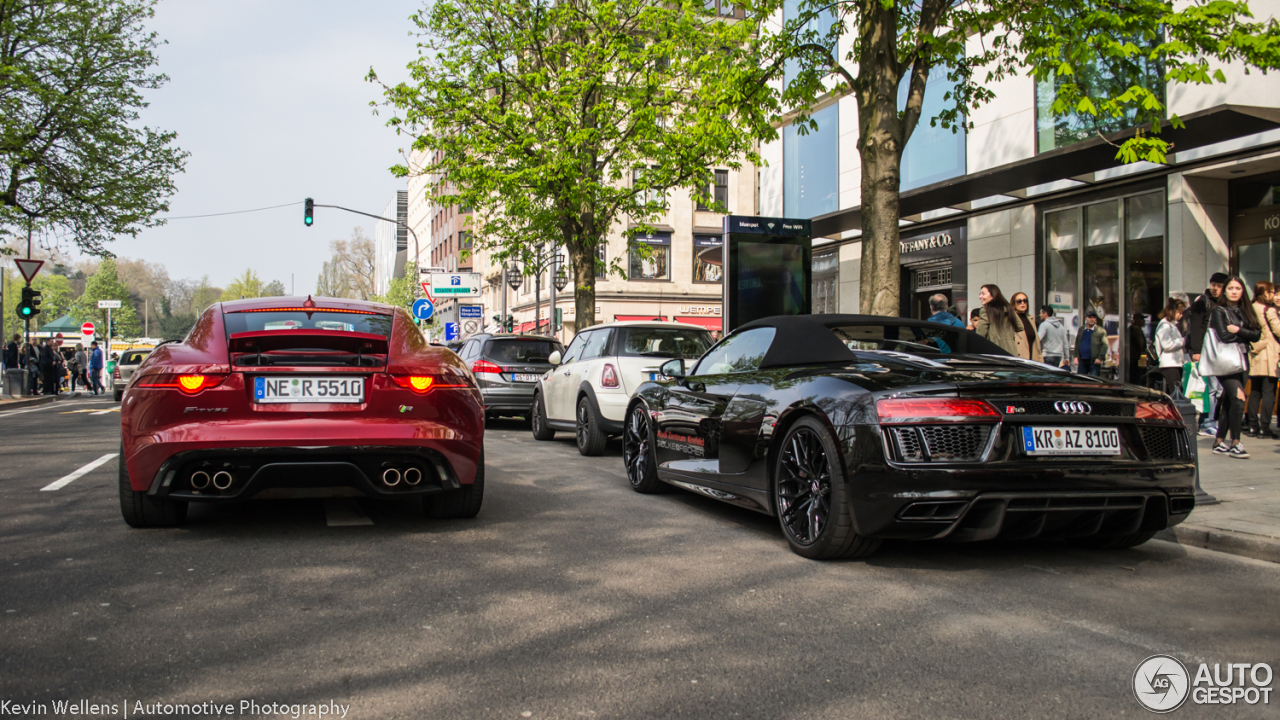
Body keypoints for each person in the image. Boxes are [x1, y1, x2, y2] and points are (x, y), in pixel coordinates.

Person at [1204, 276, 1262, 458]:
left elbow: (1257, 334)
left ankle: (1219, 441)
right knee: (1238, 398)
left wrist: (1238, 331)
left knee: (1229, 401)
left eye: (1238, 288)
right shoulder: (1219, 311)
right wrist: (1245, 335)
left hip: (1243, 359)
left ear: (1243, 291)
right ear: (1225, 291)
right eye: (1231, 288)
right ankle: (1236, 442)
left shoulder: (1246, 310)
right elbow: (1224, 336)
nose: (1234, 291)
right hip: (1226, 361)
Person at [1187, 273, 1228, 434]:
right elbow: (1195, 327)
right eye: (1213, 284)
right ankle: (1206, 422)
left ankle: (1210, 419)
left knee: (1217, 389)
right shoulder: (1202, 301)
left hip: (1220, 351)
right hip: (1206, 350)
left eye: (1219, 285)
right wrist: (1196, 351)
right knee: (1210, 389)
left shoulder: (1223, 304)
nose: (1215, 288)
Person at [1246, 281, 1280, 439]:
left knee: (1254, 391)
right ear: (1265, 293)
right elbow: (1278, 330)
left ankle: (1253, 426)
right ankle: (1264, 427)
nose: (1273, 295)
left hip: (1255, 353)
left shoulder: (1250, 307)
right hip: (1269, 353)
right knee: (1268, 391)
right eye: (1271, 292)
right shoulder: (1269, 309)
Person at [973, 284, 1039, 359]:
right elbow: (1020, 327)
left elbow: (980, 333)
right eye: (980, 294)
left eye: (983, 294)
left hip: (994, 352)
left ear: (993, 295)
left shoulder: (985, 310)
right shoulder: (1009, 309)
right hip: (1011, 351)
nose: (980, 297)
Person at [1155, 297, 1187, 396]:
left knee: (1175, 391)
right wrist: (1183, 341)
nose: (1181, 316)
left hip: (1174, 363)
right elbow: (1167, 345)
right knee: (1175, 391)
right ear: (1173, 312)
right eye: (1179, 313)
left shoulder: (1171, 325)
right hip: (1169, 364)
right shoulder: (1165, 326)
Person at [1009, 292, 1043, 362]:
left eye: (1025, 301)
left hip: (1033, 361)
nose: (1022, 303)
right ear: (1013, 303)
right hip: (1018, 360)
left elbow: (1036, 343)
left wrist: (1040, 360)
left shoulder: (1031, 319)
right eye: (1019, 301)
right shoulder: (1010, 319)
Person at [1076, 311, 1107, 376]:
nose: (1092, 319)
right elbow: (1077, 343)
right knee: (1081, 380)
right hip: (1082, 360)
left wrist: (1099, 358)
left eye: (1093, 317)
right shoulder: (1081, 329)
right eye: (1089, 317)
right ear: (1086, 318)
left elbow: (1105, 345)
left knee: (1094, 381)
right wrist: (1075, 356)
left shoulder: (1100, 330)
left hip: (1094, 361)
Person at [1127, 312, 1149, 385]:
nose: (1143, 321)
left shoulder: (1134, 329)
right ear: (1136, 320)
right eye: (1141, 319)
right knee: (1137, 377)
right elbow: (1141, 345)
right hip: (1135, 358)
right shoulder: (1135, 330)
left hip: (1137, 358)